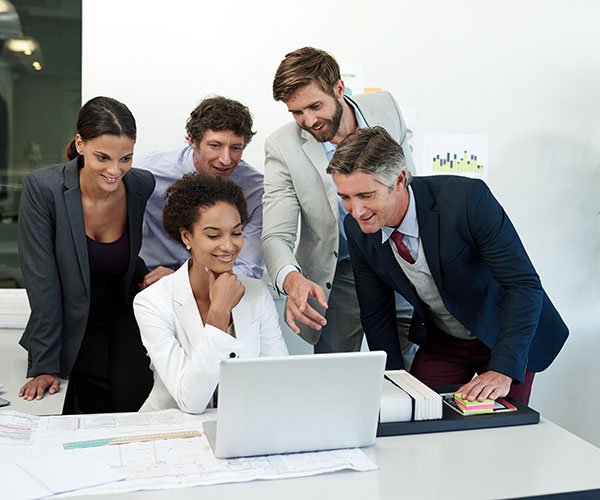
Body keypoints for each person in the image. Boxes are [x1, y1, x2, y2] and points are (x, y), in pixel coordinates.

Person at [327, 126, 569, 405]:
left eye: (366, 195)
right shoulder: (356, 229)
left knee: (502, 422)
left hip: (504, 332)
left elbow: (522, 285)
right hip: (445, 340)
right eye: (345, 197)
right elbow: (376, 313)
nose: (356, 211)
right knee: (418, 411)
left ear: (399, 180)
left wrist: (502, 370)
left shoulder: (467, 200)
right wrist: (392, 384)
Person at [262, 46, 415, 359]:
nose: (308, 120)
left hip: (400, 261)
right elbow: (276, 235)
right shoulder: (281, 147)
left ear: (339, 88)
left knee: (410, 368)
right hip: (339, 274)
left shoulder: (386, 107)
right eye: (296, 112)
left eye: (315, 106)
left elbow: (410, 185)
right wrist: (292, 280)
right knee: (335, 373)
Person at [17, 96, 155, 413]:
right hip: (67, 329)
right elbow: (42, 283)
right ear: (80, 144)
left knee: (134, 412)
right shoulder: (44, 189)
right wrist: (45, 363)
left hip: (121, 325)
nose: (115, 170)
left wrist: (151, 276)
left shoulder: (141, 185)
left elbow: (122, 258)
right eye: (103, 157)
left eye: (125, 158)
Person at [133, 172, 288, 414]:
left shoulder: (257, 293)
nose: (228, 246)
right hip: (173, 427)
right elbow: (191, 401)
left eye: (236, 233)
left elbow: (279, 380)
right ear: (187, 236)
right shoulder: (152, 302)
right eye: (214, 235)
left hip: (242, 424)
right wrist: (218, 313)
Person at [138, 96, 264, 283]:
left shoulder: (256, 190)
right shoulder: (146, 172)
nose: (226, 160)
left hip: (217, 285)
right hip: (149, 280)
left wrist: (183, 280)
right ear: (192, 140)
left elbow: (249, 267)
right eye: (215, 146)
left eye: (236, 148)